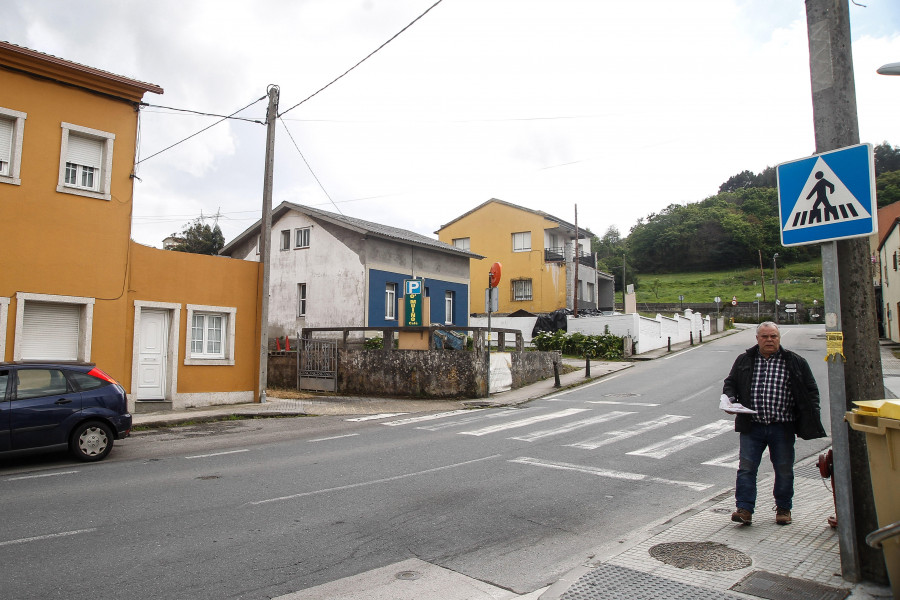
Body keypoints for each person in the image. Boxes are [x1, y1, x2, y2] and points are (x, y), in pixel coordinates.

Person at [722, 322, 826, 526]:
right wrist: (730, 399)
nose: (769, 340)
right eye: (765, 337)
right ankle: (744, 509)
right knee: (747, 468)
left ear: (779, 338)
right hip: (753, 425)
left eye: (773, 336)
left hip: (782, 426)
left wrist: (810, 415)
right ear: (757, 338)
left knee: (784, 469)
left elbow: (811, 390)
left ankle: (783, 509)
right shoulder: (745, 360)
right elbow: (730, 383)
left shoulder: (795, 362)